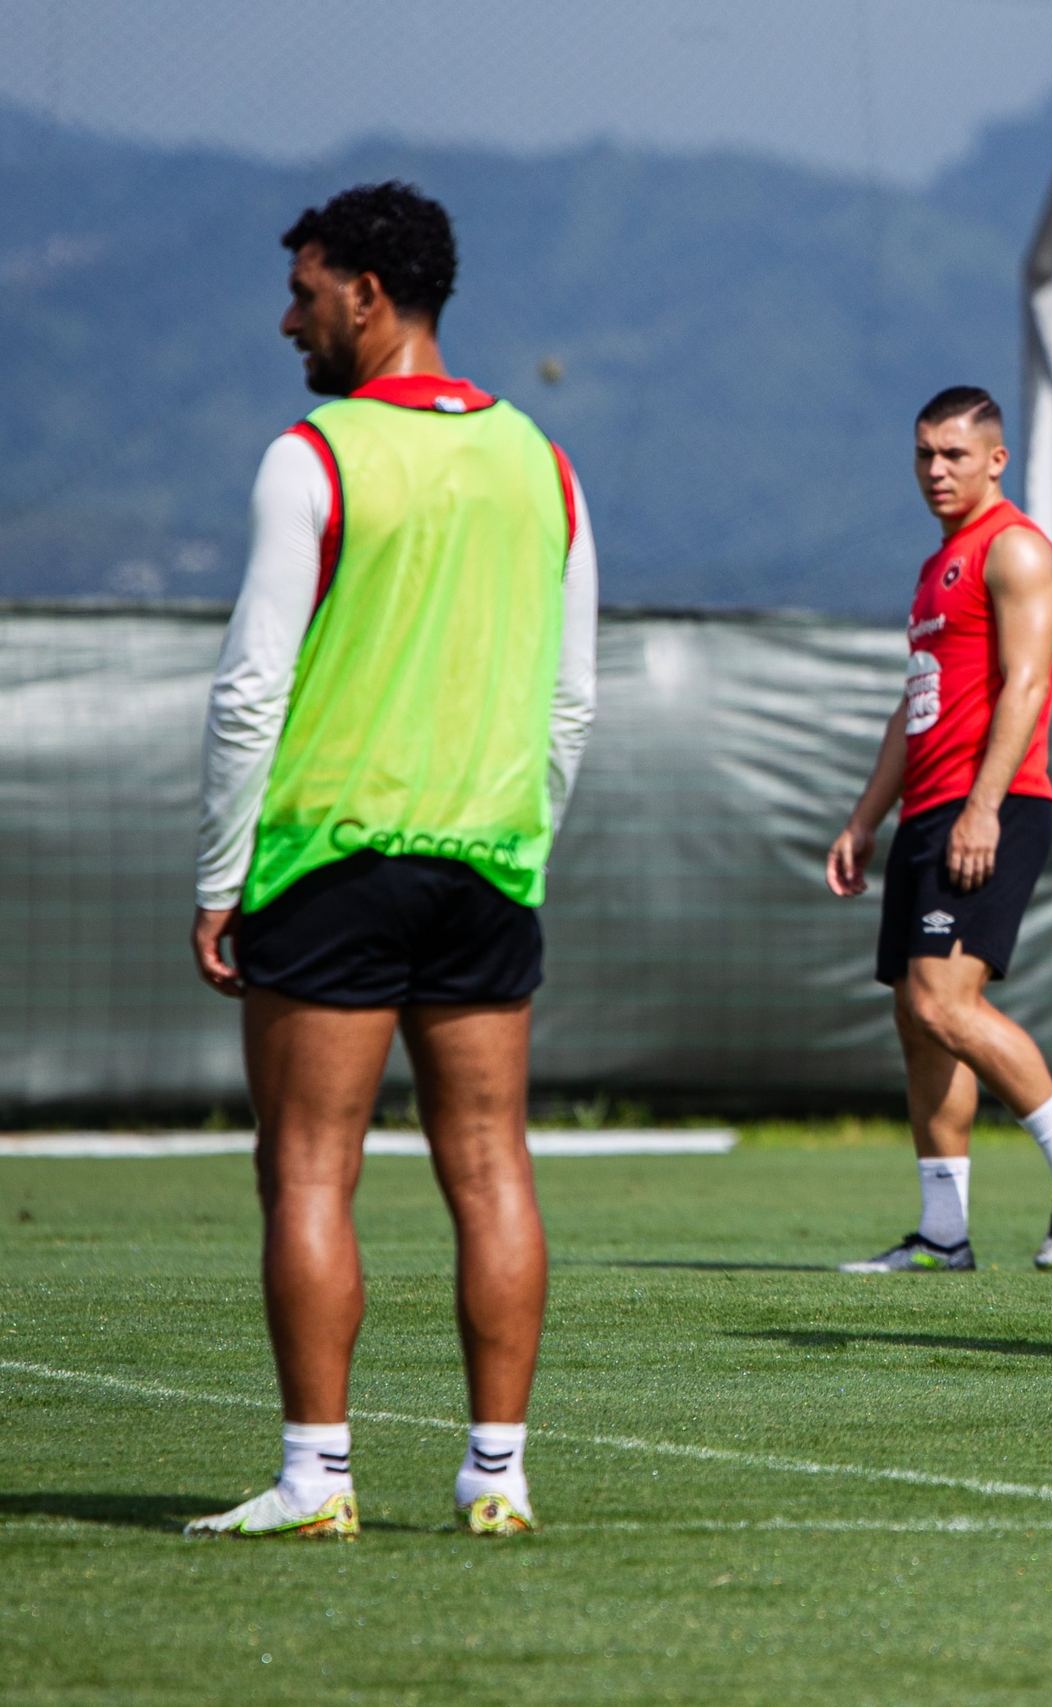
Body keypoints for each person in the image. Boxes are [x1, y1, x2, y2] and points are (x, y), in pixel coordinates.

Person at [185, 183, 598, 1539]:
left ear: (366, 295)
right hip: (490, 864)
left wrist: (220, 875)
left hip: (330, 860)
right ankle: (498, 1474)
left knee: (309, 1168)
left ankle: (317, 1477)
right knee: (492, 1165)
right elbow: (572, 702)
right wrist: (517, 840)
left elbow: (251, 688)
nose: (288, 319)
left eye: (304, 292)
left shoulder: (314, 454)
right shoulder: (543, 461)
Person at [828, 387, 1052, 1273]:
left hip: (992, 804)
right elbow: (913, 704)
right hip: (929, 811)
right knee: (917, 1019)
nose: (936, 469)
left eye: (954, 454)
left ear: (997, 459)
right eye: (924, 453)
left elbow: (1028, 685)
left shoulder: (1014, 548)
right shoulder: (938, 565)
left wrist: (984, 806)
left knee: (943, 1002)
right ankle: (942, 1231)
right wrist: (864, 819)